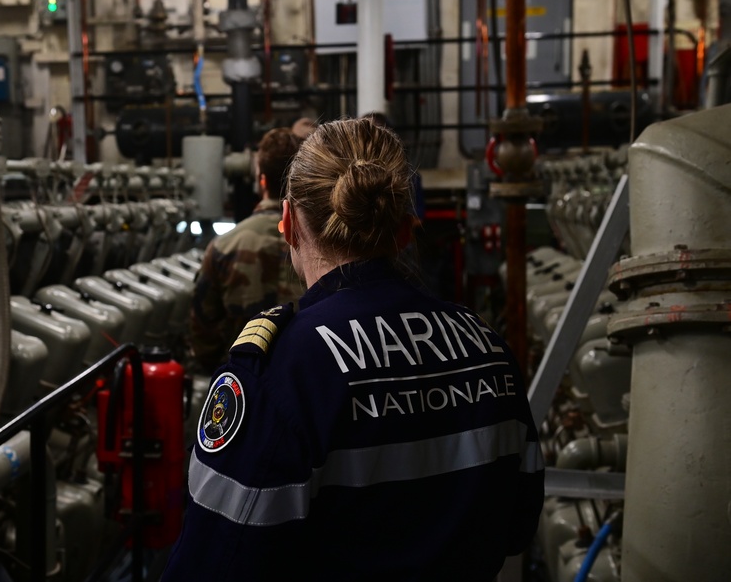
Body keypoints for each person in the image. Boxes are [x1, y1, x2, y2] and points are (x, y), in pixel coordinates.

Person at [162, 118, 544, 581]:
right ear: (406, 229)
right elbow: (519, 524)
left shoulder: (282, 373)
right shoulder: (488, 348)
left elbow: (213, 562)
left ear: (287, 223)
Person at [187, 127, 305, 376]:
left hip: (241, 385)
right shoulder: (321, 244)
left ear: (261, 179)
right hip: (304, 383)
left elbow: (202, 330)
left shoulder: (223, 246)